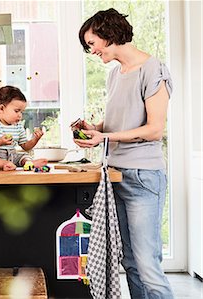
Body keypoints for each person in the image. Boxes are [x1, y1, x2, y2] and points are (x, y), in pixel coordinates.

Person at [76, 8, 174, 299]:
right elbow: (119, 121)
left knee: (147, 265)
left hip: (143, 177)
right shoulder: (115, 75)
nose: (91, 50)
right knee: (129, 261)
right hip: (115, 175)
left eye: (91, 43)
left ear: (108, 34)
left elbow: (154, 129)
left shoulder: (152, 68)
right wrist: (94, 127)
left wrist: (104, 136)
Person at [0, 85, 48, 171]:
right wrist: (0, 141)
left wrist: (35, 139)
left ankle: (28, 163)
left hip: (10, 156)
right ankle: (3, 164)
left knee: (23, 155)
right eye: (16, 111)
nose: (20, 115)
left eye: (22, 112)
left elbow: (25, 146)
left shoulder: (18, 126)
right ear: (1, 109)